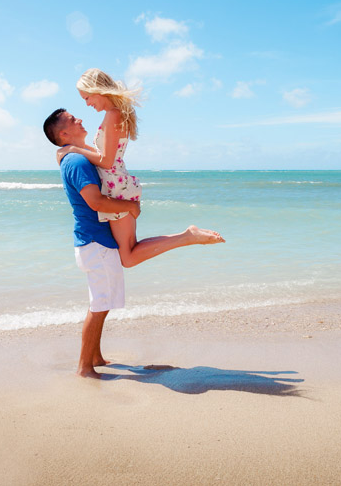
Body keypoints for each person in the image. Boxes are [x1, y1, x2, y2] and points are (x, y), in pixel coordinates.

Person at [43, 106, 223, 379]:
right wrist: (130, 208)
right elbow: (95, 201)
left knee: (101, 303)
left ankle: (95, 357)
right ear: (64, 133)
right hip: (95, 243)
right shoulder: (76, 162)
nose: (79, 118)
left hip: (96, 242)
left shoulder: (77, 157)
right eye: (71, 119)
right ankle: (84, 367)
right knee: (99, 306)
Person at [56, 68, 224, 268]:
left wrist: (74, 148)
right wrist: (76, 149)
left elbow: (107, 161)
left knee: (128, 257)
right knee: (129, 253)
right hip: (117, 184)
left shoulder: (113, 114)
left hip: (116, 188)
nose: (87, 103)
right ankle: (187, 236)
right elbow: (105, 155)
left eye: (87, 97)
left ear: (97, 90)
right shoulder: (115, 113)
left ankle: (187, 236)